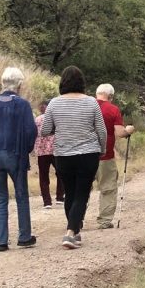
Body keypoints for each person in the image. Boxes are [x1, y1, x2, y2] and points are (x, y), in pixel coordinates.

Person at [40, 66, 108, 249]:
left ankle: (75, 232)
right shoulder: (91, 102)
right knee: (82, 193)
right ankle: (70, 232)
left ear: (62, 83)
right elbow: (101, 130)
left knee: (70, 192)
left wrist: (60, 127)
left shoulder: (54, 103)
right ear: (82, 83)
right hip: (88, 153)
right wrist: (102, 149)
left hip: (63, 155)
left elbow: (45, 130)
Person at [0, 66, 38, 252]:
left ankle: (0, 241)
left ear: (3, 83)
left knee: (0, 198)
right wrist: (26, 149)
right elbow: (31, 131)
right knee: (21, 196)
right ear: (19, 85)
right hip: (14, 154)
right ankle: (24, 237)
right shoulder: (23, 105)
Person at [93, 83, 135, 231]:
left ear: (97, 93)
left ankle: (76, 220)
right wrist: (128, 130)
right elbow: (119, 133)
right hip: (105, 156)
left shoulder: (86, 106)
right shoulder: (113, 109)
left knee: (81, 188)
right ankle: (104, 221)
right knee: (108, 188)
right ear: (110, 96)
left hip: (83, 156)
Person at [32, 101, 59, 208]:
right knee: (60, 173)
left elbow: (33, 134)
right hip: (55, 150)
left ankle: (47, 201)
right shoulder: (56, 118)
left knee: (43, 176)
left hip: (42, 151)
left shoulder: (37, 120)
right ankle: (60, 197)